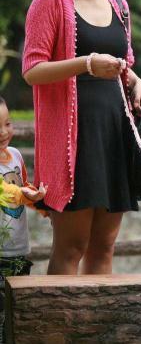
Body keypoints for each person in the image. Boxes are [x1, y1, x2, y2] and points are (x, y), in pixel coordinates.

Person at [21, 0, 141, 275]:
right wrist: (87, 63)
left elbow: (123, 62)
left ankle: (96, 326)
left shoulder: (119, 4)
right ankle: (57, 326)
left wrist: (135, 80)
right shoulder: (50, 0)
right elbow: (32, 70)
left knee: (104, 246)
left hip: (113, 133)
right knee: (71, 246)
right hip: (73, 141)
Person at [0, 96, 47, 342]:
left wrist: (41, 205)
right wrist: (23, 193)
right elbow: (7, 192)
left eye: (7, 124)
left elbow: (22, 186)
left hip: (18, 250)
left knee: (16, 312)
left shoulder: (16, 155)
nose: (3, 132)